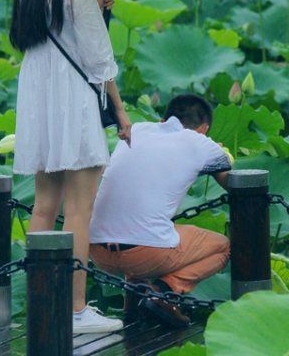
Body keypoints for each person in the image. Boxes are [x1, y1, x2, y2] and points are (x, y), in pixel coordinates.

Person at [10, 0, 132, 334]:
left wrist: (92, 11)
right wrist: (120, 110)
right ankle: (76, 310)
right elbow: (98, 59)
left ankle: (42, 302)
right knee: (79, 208)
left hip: (39, 99)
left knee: (45, 204)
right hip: (71, 102)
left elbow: (53, 36)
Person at [88, 94, 233, 328]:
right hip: (145, 253)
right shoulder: (201, 142)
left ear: (162, 119)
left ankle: (132, 310)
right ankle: (163, 292)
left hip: (96, 250)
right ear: (204, 129)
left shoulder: (138, 130)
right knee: (224, 247)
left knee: (141, 224)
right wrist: (217, 152)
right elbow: (231, 182)